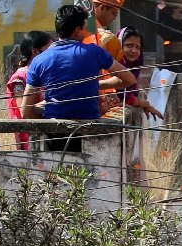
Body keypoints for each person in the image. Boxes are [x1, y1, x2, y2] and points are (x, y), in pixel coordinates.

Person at [22, 4, 138, 144]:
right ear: (77, 30)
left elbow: (26, 112)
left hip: (54, 136)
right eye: (84, 27)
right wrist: (95, 85)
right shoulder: (95, 52)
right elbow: (129, 79)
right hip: (90, 135)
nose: (86, 32)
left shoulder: (39, 60)